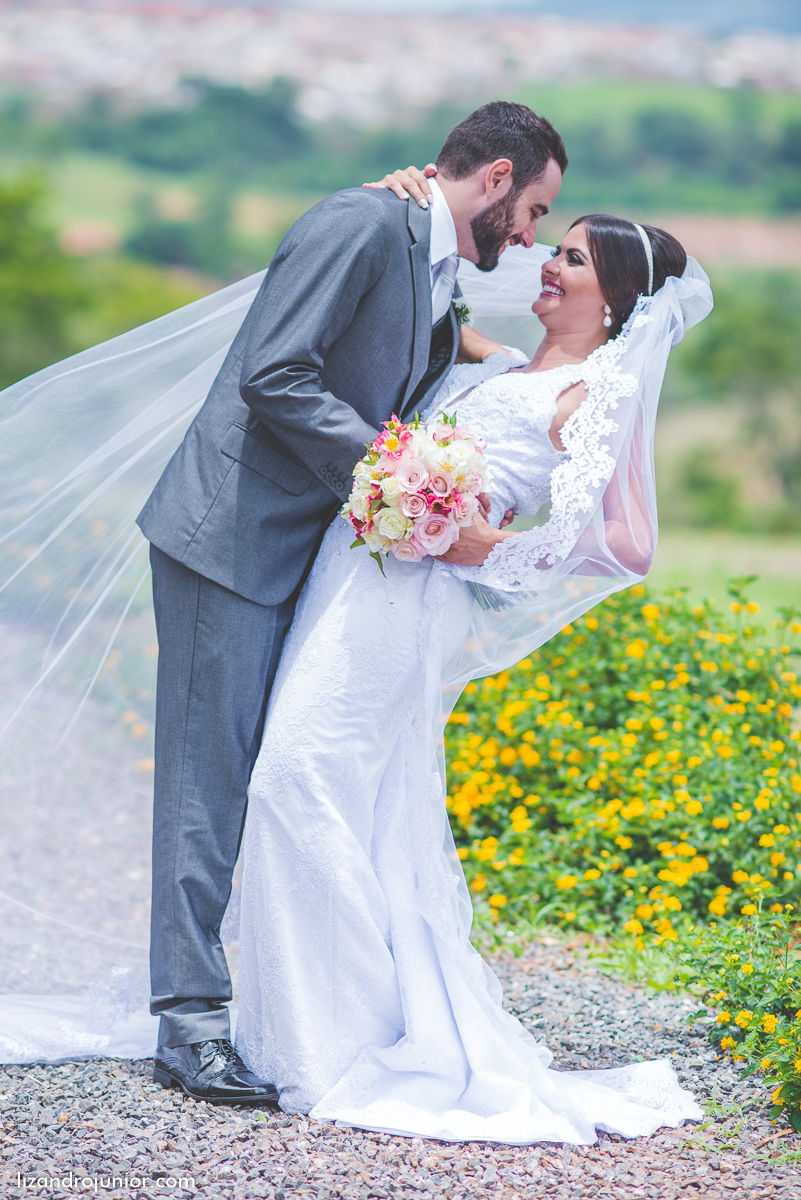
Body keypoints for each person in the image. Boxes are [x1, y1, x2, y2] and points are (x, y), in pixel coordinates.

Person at [233, 213, 713, 1142]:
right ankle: (307, 1029)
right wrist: (407, 198)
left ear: (613, 296)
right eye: (550, 245)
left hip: (408, 601)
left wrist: (491, 548)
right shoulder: (509, 365)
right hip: (358, 575)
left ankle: (335, 1039)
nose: (544, 262)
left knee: (296, 778)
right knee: (355, 799)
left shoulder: (587, 394)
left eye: (569, 259)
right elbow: (429, 304)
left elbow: (629, 544)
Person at [136, 102, 567, 1105]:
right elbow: (272, 373)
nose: (534, 236)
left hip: (301, 546)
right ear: (496, 177)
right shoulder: (361, 221)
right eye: (536, 210)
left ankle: (239, 1002)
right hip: (230, 536)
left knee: (260, 771)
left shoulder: (425, 252)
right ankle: (186, 1022)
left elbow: (401, 352)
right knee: (210, 778)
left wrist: (510, 368)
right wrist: (397, 466)